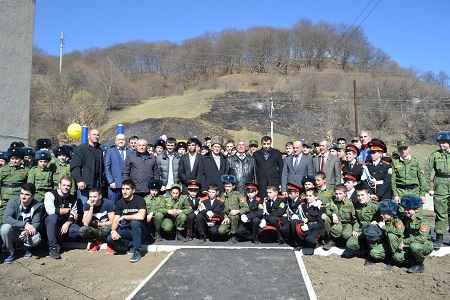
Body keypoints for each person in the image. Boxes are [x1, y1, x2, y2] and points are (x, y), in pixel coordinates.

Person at [1, 183, 43, 263]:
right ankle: (11, 252)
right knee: (4, 228)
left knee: (36, 238)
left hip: (26, 233)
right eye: (22, 193)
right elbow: (6, 218)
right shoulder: (13, 201)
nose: (23, 197)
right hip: (14, 231)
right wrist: (25, 224)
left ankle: (25, 248)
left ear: (33, 196)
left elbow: (36, 223)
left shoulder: (38, 205)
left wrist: (27, 231)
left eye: (27, 195)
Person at [107, 180, 146, 263]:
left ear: (133, 190)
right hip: (127, 231)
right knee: (110, 238)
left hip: (140, 231)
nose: (124, 191)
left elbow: (141, 216)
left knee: (135, 222)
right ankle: (127, 247)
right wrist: (113, 231)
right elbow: (116, 219)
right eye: (123, 189)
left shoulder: (139, 200)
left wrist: (126, 216)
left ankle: (137, 251)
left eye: (127, 189)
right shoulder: (119, 203)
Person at [392, 194, 433, 273]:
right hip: (410, 243)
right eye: (405, 209)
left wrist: (404, 241)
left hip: (424, 244)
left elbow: (422, 238)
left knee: (414, 246)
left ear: (416, 209)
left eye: (408, 209)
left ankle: (419, 264)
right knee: (397, 257)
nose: (406, 211)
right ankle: (413, 262)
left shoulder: (423, 220)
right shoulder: (406, 218)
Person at [44, 176, 82, 259]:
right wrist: (68, 210)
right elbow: (50, 211)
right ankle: (53, 247)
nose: (66, 187)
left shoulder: (73, 198)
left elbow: (74, 215)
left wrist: (68, 223)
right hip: (49, 225)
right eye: (64, 185)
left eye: (68, 186)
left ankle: (60, 241)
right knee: (53, 217)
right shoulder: (50, 194)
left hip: (64, 224)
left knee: (78, 230)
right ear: (59, 185)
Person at [427, 131, 450, 249]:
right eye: (440, 142)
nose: (442, 145)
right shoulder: (435, 155)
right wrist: (430, 188)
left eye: (444, 142)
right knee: (441, 212)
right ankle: (439, 238)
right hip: (440, 183)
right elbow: (429, 172)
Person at [70, 129, 104, 205]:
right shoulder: (81, 149)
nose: (96, 136)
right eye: (94, 134)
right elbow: (75, 166)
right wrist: (79, 180)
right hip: (85, 184)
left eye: (98, 135)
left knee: (94, 207)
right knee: (83, 206)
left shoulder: (100, 150)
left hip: (97, 185)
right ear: (88, 136)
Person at [343, 185, 378, 258]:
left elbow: (380, 219)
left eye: (362, 195)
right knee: (350, 244)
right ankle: (362, 248)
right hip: (361, 229)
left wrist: (376, 222)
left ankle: (369, 249)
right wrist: (355, 229)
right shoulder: (357, 205)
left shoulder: (375, 206)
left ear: (368, 195)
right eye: (358, 195)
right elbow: (356, 220)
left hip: (371, 231)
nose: (360, 197)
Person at [365, 200, 403, 264]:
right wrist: (375, 224)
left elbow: (399, 232)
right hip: (386, 243)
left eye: (384, 213)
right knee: (373, 253)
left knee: (391, 235)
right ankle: (387, 257)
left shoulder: (397, 221)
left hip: (396, 245)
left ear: (391, 213)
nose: (381, 215)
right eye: (381, 212)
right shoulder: (382, 218)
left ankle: (393, 256)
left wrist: (383, 227)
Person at [291, 189, 325, 255]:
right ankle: (298, 243)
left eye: (310, 196)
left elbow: (321, 224)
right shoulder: (303, 205)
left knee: (308, 248)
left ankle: (317, 242)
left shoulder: (320, 206)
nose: (308, 197)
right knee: (294, 222)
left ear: (316, 197)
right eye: (307, 195)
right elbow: (297, 214)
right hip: (304, 226)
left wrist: (309, 226)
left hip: (315, 229)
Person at [323, 184, 356, 250]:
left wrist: (355, 229)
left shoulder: (350, 204)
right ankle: (330, 239)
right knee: (325, 218)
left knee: (346, 235)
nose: (338, 196)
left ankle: (341, 241)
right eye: (336, 194)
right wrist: (333, 214)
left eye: (340, 194)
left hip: (346, 223)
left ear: (345, 194)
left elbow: (355, 218)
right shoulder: (333, 201)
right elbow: (327, 209)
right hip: (336, 222)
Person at [218, 175, 249, 243]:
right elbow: (220, 208)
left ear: (233, 186)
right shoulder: (222, 195)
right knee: (221, 231)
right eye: (226, 186)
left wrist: (238, 211)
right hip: (227, 218)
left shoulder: (238, 194)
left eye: (229, 186)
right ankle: (230, 232)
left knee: (233, 215)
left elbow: (246, 208)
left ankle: (234, 235)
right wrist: (225, 217)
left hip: (236, 218)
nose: (227, 188)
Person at [0, 147, 28, 220]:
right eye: (12, 159)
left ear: (21, 159)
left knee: (15, 218)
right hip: (4, 198)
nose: (14, 161)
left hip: (17, 198)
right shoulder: (3, 169)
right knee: (2, 218)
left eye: (16, 159)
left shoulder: (25, 170)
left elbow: (27, 186)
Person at [104, 134, 131, 203]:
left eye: (123, 140)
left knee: (126, 206)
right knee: (113, 206)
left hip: (127, 185)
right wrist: (111, 181)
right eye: (119, 140)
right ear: (115, 141)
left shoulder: (130, 152)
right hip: (114, 185)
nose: (121, 141)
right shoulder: (110, 151)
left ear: (126, 141)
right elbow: (107, 167)